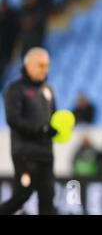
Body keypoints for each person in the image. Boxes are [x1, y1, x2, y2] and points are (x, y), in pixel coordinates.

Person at [0, 48, 58, 215]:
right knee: (21, 196)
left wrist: (55, 130)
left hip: (46, 154)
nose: (44, 69)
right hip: (25, 153)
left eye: (47, 65)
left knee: (48, 197)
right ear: (28, 65)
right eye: (40, 65)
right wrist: (40, 129)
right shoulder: (15, 90)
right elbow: (13, 120)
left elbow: (54, 117)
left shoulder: (49, 90)